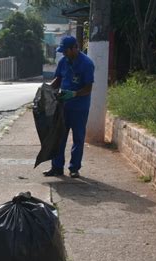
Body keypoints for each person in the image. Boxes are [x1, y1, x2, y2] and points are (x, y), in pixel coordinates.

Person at [44, 36, 95, 178]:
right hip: (63, 107)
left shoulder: (87, 64)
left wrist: (74, 94)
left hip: (79, 107)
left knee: (78, 138)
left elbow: (88, 88)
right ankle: (57, 167)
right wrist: (47, 90)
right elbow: (58, 79)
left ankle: (74, 168)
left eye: (66, 51)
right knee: (59, 137)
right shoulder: (63, 62)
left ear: (74, 48)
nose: (64, 54)